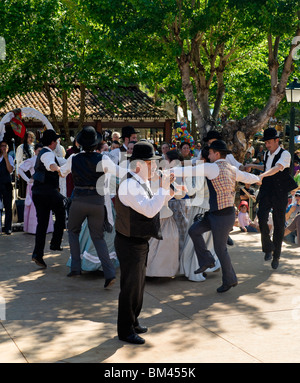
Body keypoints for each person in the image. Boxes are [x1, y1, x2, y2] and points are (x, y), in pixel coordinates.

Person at [171, 140, 260, 292]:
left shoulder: (212, 167)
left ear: (217, 154)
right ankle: (207, 260)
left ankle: (230, 279)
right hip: (217, 214)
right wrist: (258, 179)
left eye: (210, 152)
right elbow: (246, 177)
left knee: (220, 249)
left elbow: (189, 171)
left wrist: (166, 172)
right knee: (194, 231)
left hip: (222, 216)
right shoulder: (231, 169)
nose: (208, 154)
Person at [115, 141, 176, 344]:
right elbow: (150, 209)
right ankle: (125, 330)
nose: (156, 167)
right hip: (129, 242)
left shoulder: (142, 182)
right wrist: (164, 188)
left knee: (139, 285)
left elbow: (155, 203)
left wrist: (169, 190)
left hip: (139, 241)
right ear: (140, 164)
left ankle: (133, 322)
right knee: (130, 287)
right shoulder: (130, 185)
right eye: (152, 163)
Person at [59, 126, 117, 288]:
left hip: (79, 200)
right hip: (97, 202)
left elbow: (62, 173)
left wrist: (54, 166)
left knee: (72, 231)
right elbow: (119, 171)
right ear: (96, 144)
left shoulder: (74, 158)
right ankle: (110, 272)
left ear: (81, 143)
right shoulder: (103, 159)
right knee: (98, 238)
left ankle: (76, 267)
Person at [245, 128, 295, 269]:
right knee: (261, 216)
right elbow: (266, 166)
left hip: (279, 192)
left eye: (268, 142)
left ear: (276, 140)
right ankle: (267, 247)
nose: (266, 145)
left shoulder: (285, 154)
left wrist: (261, 176)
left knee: (279, 224)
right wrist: (251, 165)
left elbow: (277, 168)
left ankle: (276, 255)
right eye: (265, 142)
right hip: (267, 190)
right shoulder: (267, 154)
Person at [180, 146, 220, 282]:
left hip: (199, 209)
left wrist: (185, 178)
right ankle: (200, 269)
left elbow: (191, 192)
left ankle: (194, 271)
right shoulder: (214, 170)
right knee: (205, 242)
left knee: (195, 242)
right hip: (209, 209)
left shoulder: (200, 171)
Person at [31, 130, 66, 268]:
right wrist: (57, 169)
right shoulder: (47, 153)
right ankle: (55, 243)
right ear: (52, 142)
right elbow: (50, 165)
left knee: (43, 224)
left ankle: (37, 255)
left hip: (39, 193)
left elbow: (64, 161)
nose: (57, 143)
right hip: (47, 192)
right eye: (56, 141)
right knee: (62, 210)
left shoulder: (48, 153)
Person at [18, 143, 54, 234]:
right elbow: (20, 169)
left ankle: (47, 228)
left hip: (45, 186)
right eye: (38, 151)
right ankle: (34, 229)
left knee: (46, 207)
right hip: (34, 186)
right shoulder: (32, 160)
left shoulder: (46, 159)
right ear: (34, 151)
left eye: (42, 151)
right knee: (35, 208)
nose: (40, 152)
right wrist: (27, 180)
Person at [0, 140, 14, 235]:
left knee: (8, 206)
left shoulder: (9, 157)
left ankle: (8, 227)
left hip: (6, 184)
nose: (4, 148)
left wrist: (6, 158)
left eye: (5, 146)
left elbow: (10, 170)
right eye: (2, 146)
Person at [16, 131, 35, 198]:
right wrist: (17, 171)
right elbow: (18, 160)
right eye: (29, 137)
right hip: (24, 170)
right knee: (25, 189)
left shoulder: (34, 147)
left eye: (32, 137)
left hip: (32, 171)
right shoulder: (21, 147)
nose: (30, 139)